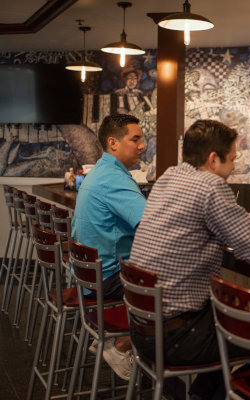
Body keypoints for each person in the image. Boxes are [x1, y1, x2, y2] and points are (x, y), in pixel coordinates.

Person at [128, 120, 250, 400]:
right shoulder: (211, 187)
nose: (234, 167)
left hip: (142, 328)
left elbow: (206, 226)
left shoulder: (169, 176)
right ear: (213, 159)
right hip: (175, 337)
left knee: (225, 324)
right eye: (232, 160)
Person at [71, 114, 147, 380]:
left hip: (90, 278)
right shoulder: (114, 179)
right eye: (135, 139)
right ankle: (120, 343)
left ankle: (109, 336)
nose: (142, 145)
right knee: (177, 286)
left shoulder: (101, 172)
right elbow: (151, 223)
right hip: (107, 279)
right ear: (113, 143)